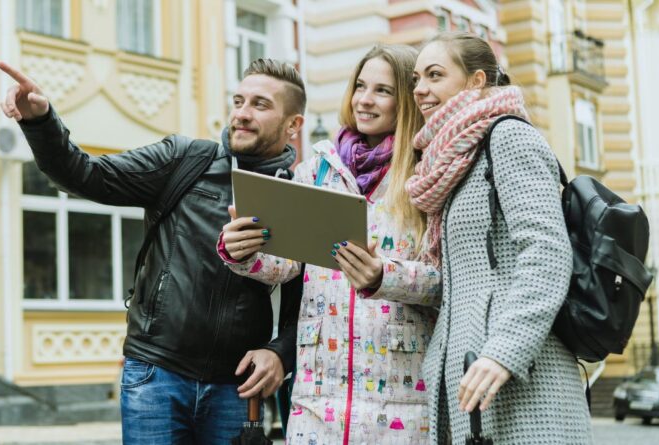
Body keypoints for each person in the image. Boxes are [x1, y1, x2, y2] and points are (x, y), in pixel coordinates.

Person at [0, 58, 305, 444]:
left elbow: (308, 307)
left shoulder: (297, 198)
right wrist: (41, 121)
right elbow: (85, 175)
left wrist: (279, 354)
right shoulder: (185, 159)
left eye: (260, 105)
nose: (242, 114)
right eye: (238, 101)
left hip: (237, 389)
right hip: (156, 376)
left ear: (294, 125)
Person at [219, 44, 441, 444]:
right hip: (317, 399)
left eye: (382, 91)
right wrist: (244, 251)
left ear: (406, 101)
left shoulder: (427, 173)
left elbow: (447, 280)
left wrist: (383, 276)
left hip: (402, 403)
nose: (365, 100)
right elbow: (286, 262)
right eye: (360, 86)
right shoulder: (317, 167)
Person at [407, 32, 592, 443]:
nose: (420, 89)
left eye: (435, 75)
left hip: (521, 378)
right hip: (468, 380)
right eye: (417, 78)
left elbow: (546, 251)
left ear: (475, 81)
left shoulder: (507, 137)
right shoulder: (453, 159)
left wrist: (502, 352)